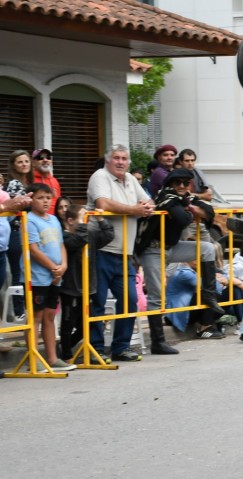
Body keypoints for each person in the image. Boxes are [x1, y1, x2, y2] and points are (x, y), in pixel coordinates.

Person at [135, 168, 231, 349]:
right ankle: (158, 341)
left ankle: (209, 297)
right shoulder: (166, 196)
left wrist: (194, 208)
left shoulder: (185, 198)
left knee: (208, 249)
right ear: (169, 184)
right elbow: (183, 219)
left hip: (172, 247)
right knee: (156, 295)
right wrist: (192, 210)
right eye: (177, 182)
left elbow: (209, 212)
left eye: (185, 183)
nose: (181, 186)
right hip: (153, 249)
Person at [86, 144, 155, 362]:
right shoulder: (100, 176)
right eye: (116, 157)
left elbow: (149, 199)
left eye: (124, 158)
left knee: (130, 300)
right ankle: (95, 349)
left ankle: (120, 347)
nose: (121, 162)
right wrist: (135, 209)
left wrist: (147, 204)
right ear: (108, 160)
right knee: (97, 302)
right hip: (101, 250)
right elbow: (103, 203)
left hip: (125, 252)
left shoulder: (131, 179)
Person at [24, 183, 75, 372]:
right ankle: (34, 358)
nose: (45, 201)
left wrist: (63, 265)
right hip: (37, 277)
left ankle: (53, 358)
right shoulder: (29, 220)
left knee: (50, 315)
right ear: (32, 200)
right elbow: (33, 249)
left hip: (55, 275)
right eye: (40, 198)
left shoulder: (53, 219)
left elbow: (61, 245)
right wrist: (54, 267)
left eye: (48, 197)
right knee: (35, 316)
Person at [59, 204, 114, 361]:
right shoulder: (65, 237)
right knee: (68, 322)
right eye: (83, 218)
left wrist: (101, 219)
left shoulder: (87, 234)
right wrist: (83, 225)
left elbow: (108, 235)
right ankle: (67, 356)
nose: (87, 222)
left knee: (87, 324)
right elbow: (77, 242)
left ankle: (66, 346)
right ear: (70, 220)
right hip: (70, 286)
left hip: (87, 285)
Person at [4, 150, 34, 320]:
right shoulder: (14, 184)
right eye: (19, 162)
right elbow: (16, 207)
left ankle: (23, 308)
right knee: (18, 272)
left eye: (26, 161)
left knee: (23, 272)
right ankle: (19, 311)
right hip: (15, 231)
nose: (24, 164)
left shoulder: (28, 182)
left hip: (25, 231)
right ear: (13, 165)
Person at [29, 149, 63, 214]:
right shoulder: (29, 180)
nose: (45, 160)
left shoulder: (55, 181)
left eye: (48, 157)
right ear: (33, 163)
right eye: (41, 158)